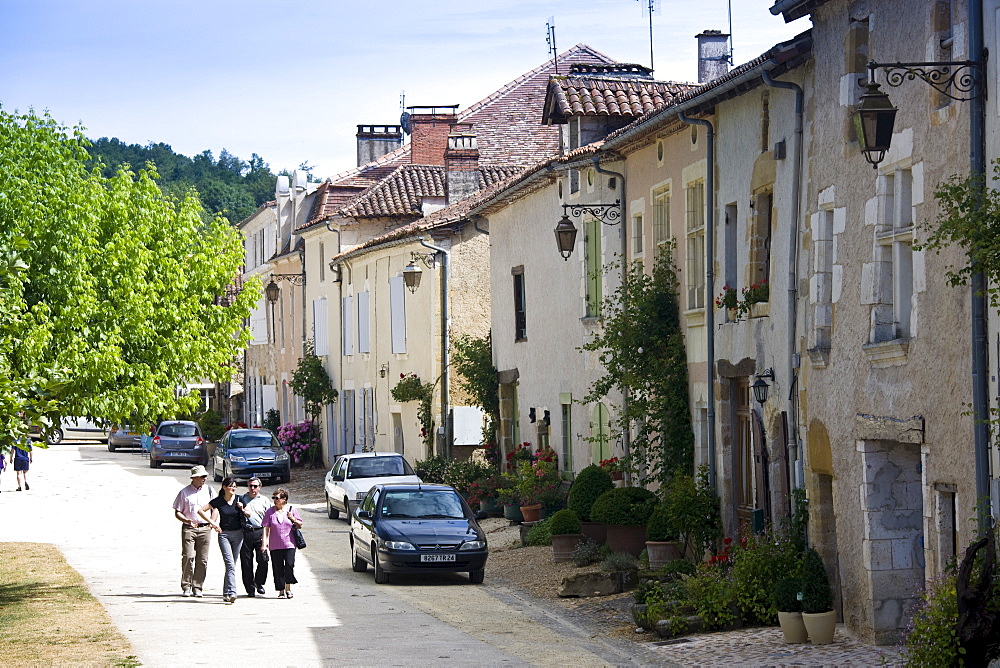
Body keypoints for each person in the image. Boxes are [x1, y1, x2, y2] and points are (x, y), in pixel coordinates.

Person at [198, 476, 244, 604]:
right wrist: (212, 523)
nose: (233, 488)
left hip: (239, 534)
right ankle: (233, 592)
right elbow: (201, 510)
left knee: (232, 566)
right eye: (230, 486)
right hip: (224, 535)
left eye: (235, 486)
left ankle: (226, 592)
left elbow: (248, 513)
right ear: (224, 487)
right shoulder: (218, 500)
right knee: (229, 564)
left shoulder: (240, 499)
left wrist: (243, 508)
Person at [172, 465, 215, 597]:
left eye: (205, 476)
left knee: (202, 559)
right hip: (189, 528)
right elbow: (177, 512)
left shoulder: (209, 490)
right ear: (195, 478)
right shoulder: (184, 492)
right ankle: (186, 586)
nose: (205, 478)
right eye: (202, 476)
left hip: (205, 528)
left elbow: (216, 508)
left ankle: (198, 587)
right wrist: (187, 521)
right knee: (188, 556)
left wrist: (211, 523)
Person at [260, 488, 303, 599]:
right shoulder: (270, 511)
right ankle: (281, 591)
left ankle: (288, 588)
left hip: (289, 544)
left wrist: (293, 519)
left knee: (289, 565)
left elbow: (300, 525)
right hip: (275, 545)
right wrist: (264, 544)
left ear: (284, 499)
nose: (274, 500)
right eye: (273, 498)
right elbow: (266, 528)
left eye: (277, 498)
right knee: (277, 568)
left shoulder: (292, 509)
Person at [239, 477, 272, 597]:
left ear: (259, 487)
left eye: (255, 486)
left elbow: (269, 520)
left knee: (263, 560)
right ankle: (250, 588)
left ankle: (259, 582)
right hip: (245, 532)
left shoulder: (264, 500)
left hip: (260, 531)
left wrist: (267, 538)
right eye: (250, 486)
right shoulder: (241, 499)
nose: (253, 488)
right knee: (246, 562)